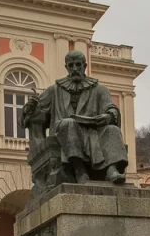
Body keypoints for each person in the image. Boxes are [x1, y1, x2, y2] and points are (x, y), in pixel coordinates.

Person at [23, 50, 129, 184]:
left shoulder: (100, 90)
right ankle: (79, 169)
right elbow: (38, 114)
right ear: (66, 67)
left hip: (93, 130)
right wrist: (31, 108)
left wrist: (108, 116)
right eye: (71, 65)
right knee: (68, 123)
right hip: (64, 131)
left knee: (112, 130)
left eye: (78, 65)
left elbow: (111, 108)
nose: (75, 69)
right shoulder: (54, 90)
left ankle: (111, 169)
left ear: (85, 66)